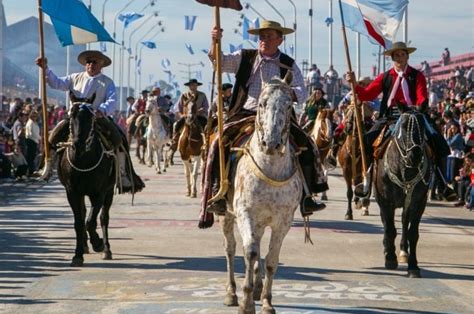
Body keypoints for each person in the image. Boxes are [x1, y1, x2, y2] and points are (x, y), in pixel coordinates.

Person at [206, 19, 327, 217]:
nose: (264, 39)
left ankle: (307, 195)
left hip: (279, 116)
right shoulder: (245, 57)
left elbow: (302, 92)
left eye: (269, 36)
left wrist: (285, 93)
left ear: (279, 39)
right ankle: (218, 191)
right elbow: (219, 63)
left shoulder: (288, 64)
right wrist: (215, 41)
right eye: (262, 36)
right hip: (245, 114)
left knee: (308, 143)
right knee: (219, 142)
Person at [35, 50, 143, 191]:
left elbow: (112, 100)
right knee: (53, 136)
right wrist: (45, 69)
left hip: (97, 117)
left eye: (94, 62)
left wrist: (102, 110)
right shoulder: (75, 77)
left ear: (101, 65)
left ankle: (122, 173)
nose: (91, 64)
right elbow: (57, 83)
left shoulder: (107, 82)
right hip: (74, 118)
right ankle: (47, 167)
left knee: (119, 138)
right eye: (88, 62)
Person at [346, 41, 450, 180]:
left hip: (414, 114)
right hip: (389, 115)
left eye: (402, 55)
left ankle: (442, 182)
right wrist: (354, 84)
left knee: (438, 141)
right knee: (366, 141)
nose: (399, 58)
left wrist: (419, 107)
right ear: (392, 58)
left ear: (407, 57)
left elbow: (421, 96)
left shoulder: (417, 75)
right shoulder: (385, 76)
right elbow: (367, 94)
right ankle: (366, 178)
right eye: (396, 56)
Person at [169, 78, 209, 152]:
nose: (193, 87)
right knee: (176, 125)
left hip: (199, 116)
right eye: (191, 85)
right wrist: (181, 114)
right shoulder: (184, 95)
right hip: (186, 117)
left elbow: (206, 106)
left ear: (197, 86)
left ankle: (207, 142)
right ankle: (174, 142)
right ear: (189, 86)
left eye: (195, 85)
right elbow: (178, 107)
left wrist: (200, 111)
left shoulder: (202, 95)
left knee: (207, 126)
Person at [25, 111, 41, 176]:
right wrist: (40, 138)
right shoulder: (30, 123)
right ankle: (30, 171)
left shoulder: (35, 123)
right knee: (30, 157)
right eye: (33, 116)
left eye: (36, 116)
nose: (35, 117)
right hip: (31, 141)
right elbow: (32, 133)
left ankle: (32, 171)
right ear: (31, 116)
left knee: (32, 157)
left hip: (34, 141)